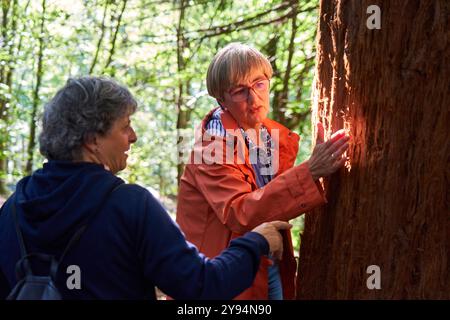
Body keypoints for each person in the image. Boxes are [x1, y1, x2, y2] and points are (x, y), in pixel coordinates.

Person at [0, 76, 291, 300]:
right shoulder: (129, 206)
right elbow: (202, 286)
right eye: (124, 126)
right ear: (92, 140)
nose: (133, 137)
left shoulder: (13, 209)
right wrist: (256, 242)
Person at [176, 43, 350, 300]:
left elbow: (273, 200)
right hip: (221, 275)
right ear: (221, 99)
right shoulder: (211, 147)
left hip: (266, 261)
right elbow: (240, 212)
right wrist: (309, 172)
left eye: (259, 84)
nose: (254, 98)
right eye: (239, 91)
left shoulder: (268, 136)